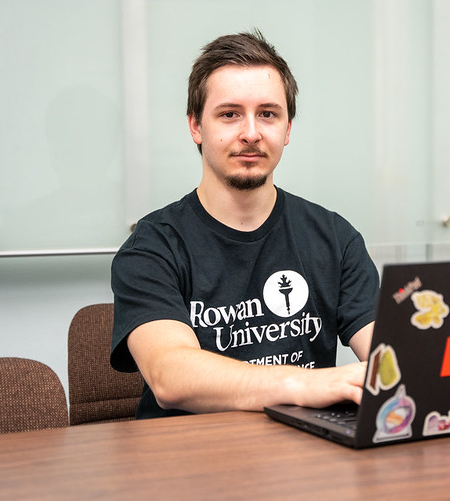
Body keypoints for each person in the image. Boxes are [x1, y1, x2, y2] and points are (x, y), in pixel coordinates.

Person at [110, 30, 379, 419]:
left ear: (287, 130)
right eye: (229, 114)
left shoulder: (335, 238)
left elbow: (390, 359)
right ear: (196, 127)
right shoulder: (153, 247)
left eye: (267, 114)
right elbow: (171, 376)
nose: (251, 133)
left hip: (305, 461)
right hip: (187, 463)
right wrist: (308, 383)